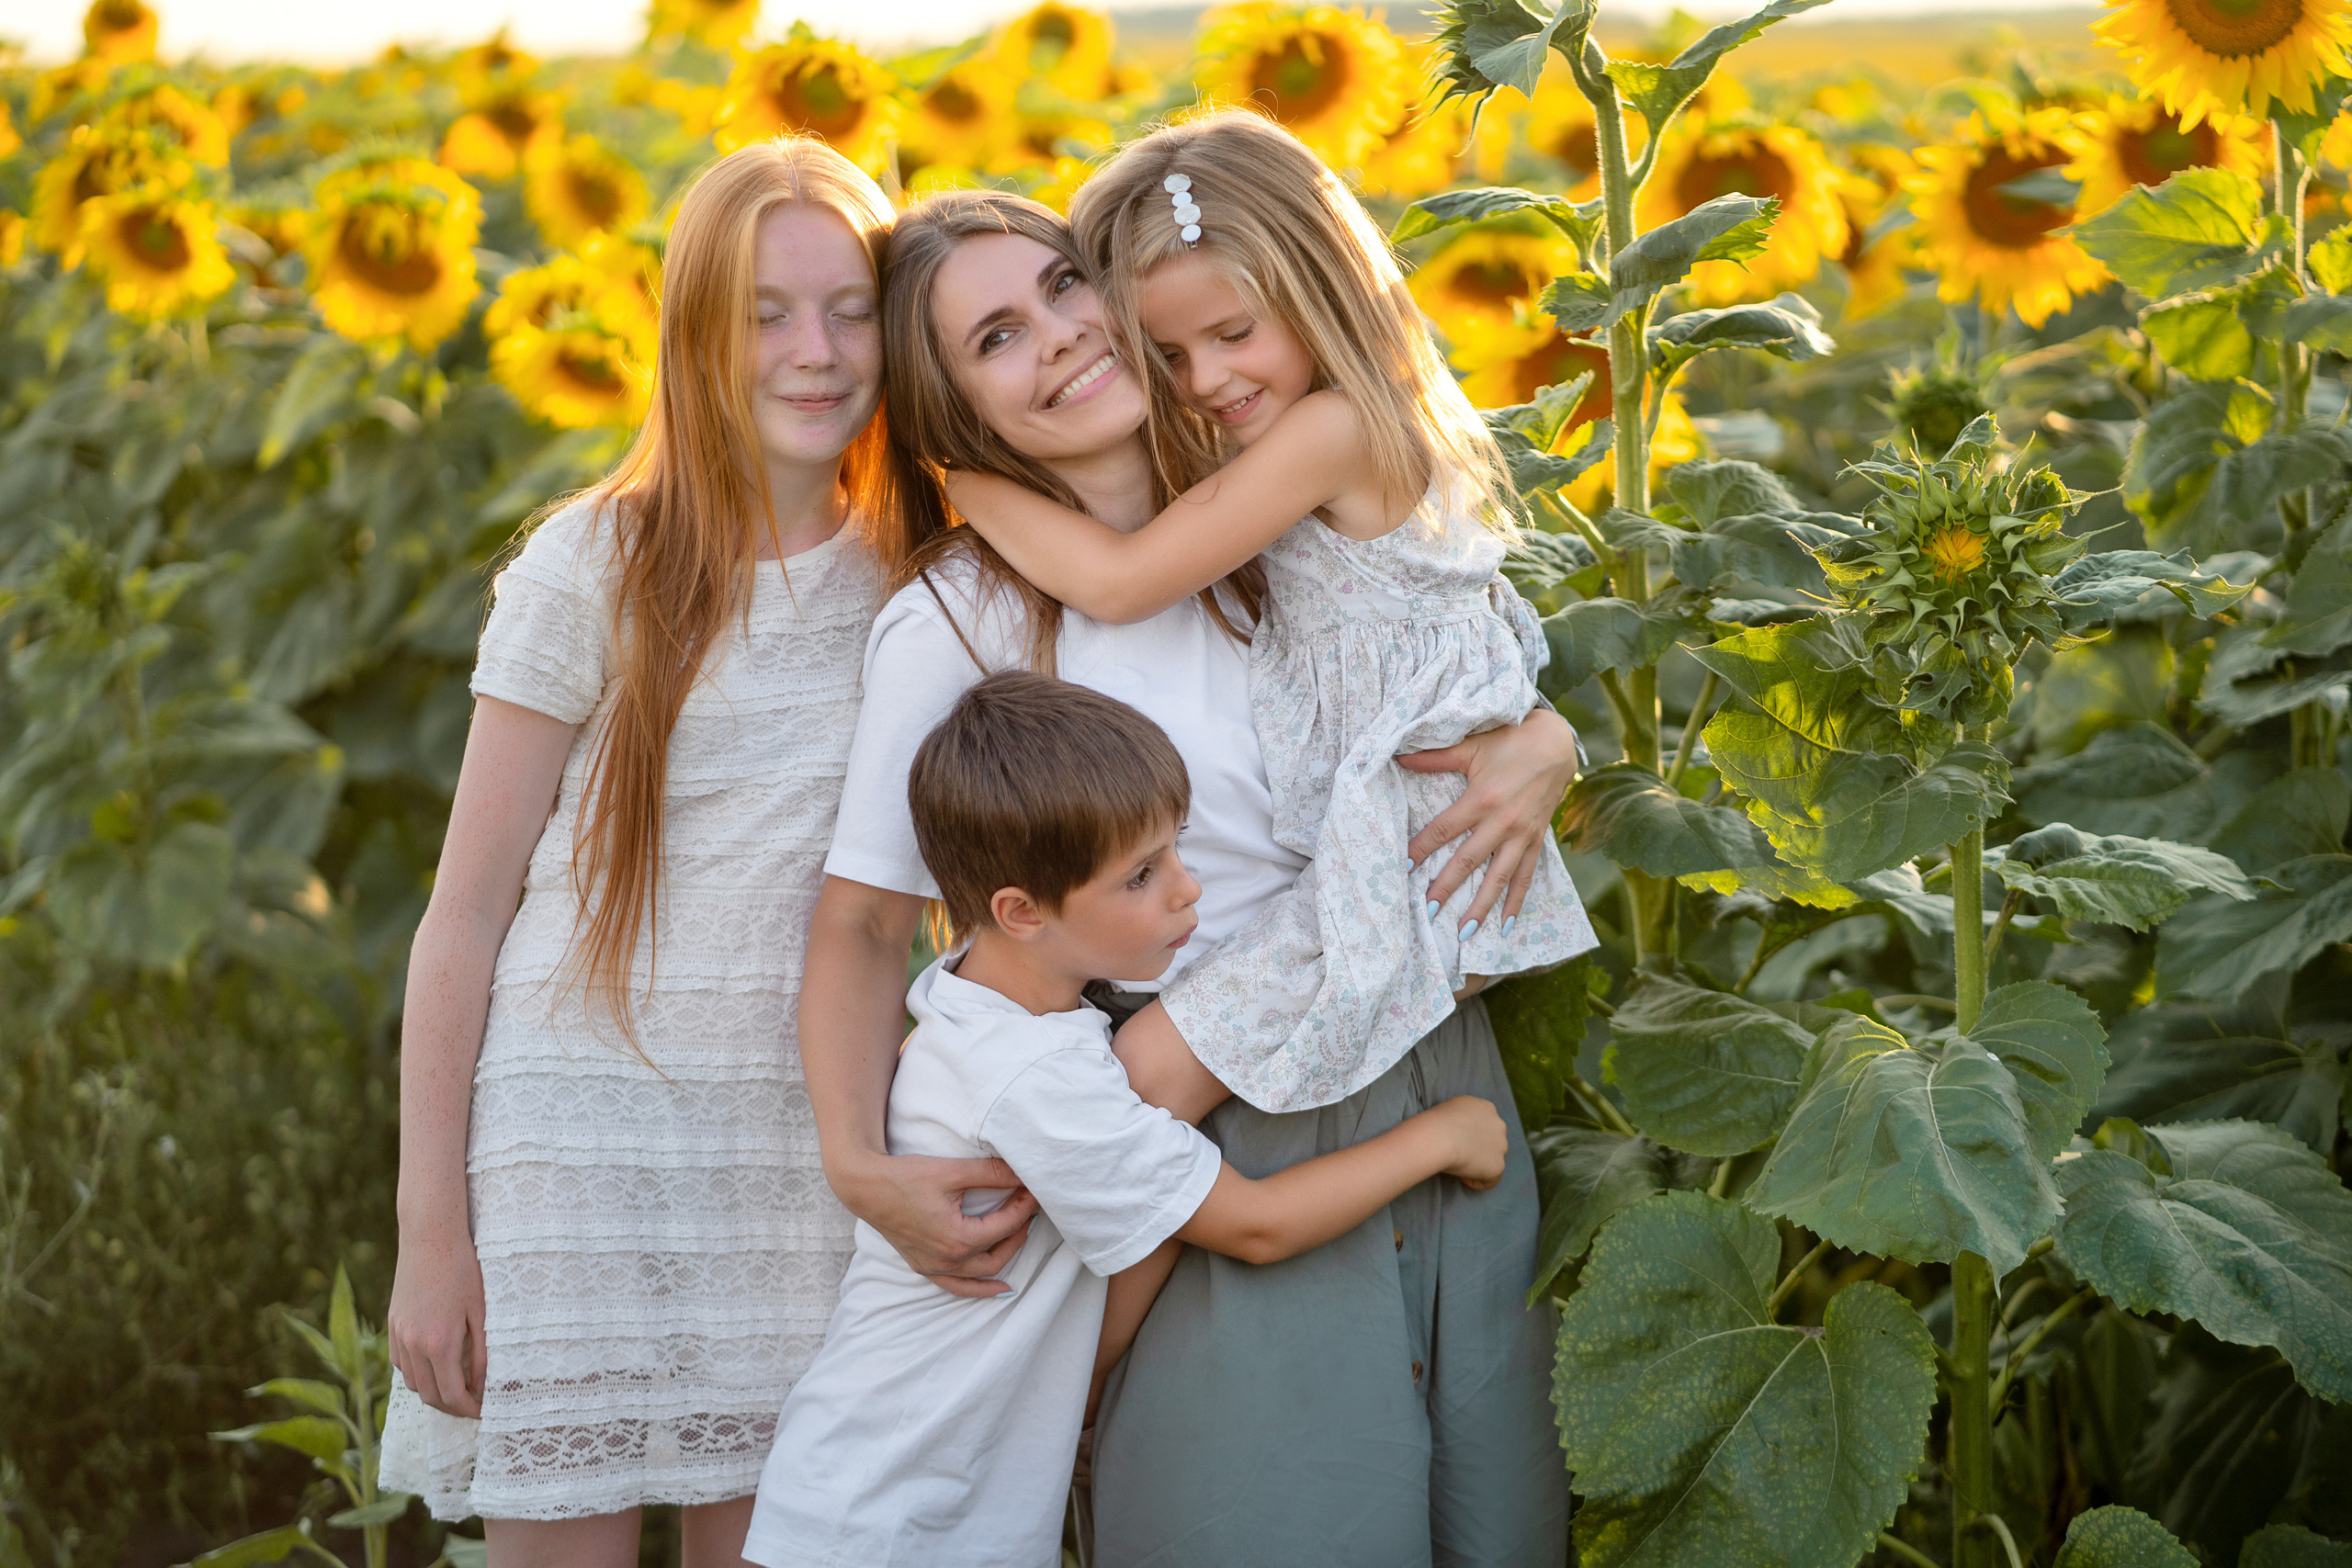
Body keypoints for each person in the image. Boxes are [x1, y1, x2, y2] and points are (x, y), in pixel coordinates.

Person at [801, 185, 1576, 1568]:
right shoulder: (966, 615)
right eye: (992, 338)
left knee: (1492, 1511)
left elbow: (1439, 650)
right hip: (1210, 1116)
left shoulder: (1257, 519)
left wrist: (1544, 743)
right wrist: (857, 1160)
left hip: (1430, 1058)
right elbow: (865, 917)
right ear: (950, 410)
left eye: (1058, 286)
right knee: (1276, 1513)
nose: (1054, 336)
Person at [378, 138, 1039, 1568]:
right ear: (695, 332)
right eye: (763, 312)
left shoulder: (931, 572)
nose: (814, 352)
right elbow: (463, 918)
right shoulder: (592, 563)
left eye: (850, 309)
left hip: (805, 1154)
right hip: (576, 1150)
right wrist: (434, 1233)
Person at [744, 671, 1509, 1568]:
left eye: (1175, 849)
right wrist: (1443, 1137)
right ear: (1020, 912)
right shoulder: (1033, 1078)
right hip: (887, 1518)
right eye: (1141, 875)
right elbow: (1254, 1227)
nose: (1188, 890)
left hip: (903, 1494)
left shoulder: (977, 1002)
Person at [945, 107, 1599, 1116]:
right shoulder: (1306, 429)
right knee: (1128, 1112)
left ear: (1319, 288)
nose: (1204, 380)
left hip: (1411, 858)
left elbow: (1124, 582)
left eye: (1232, 334)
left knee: (1133, 1090)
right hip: (1398, 851)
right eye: (1166, 355)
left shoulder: (1334, 431)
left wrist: (961, 483)